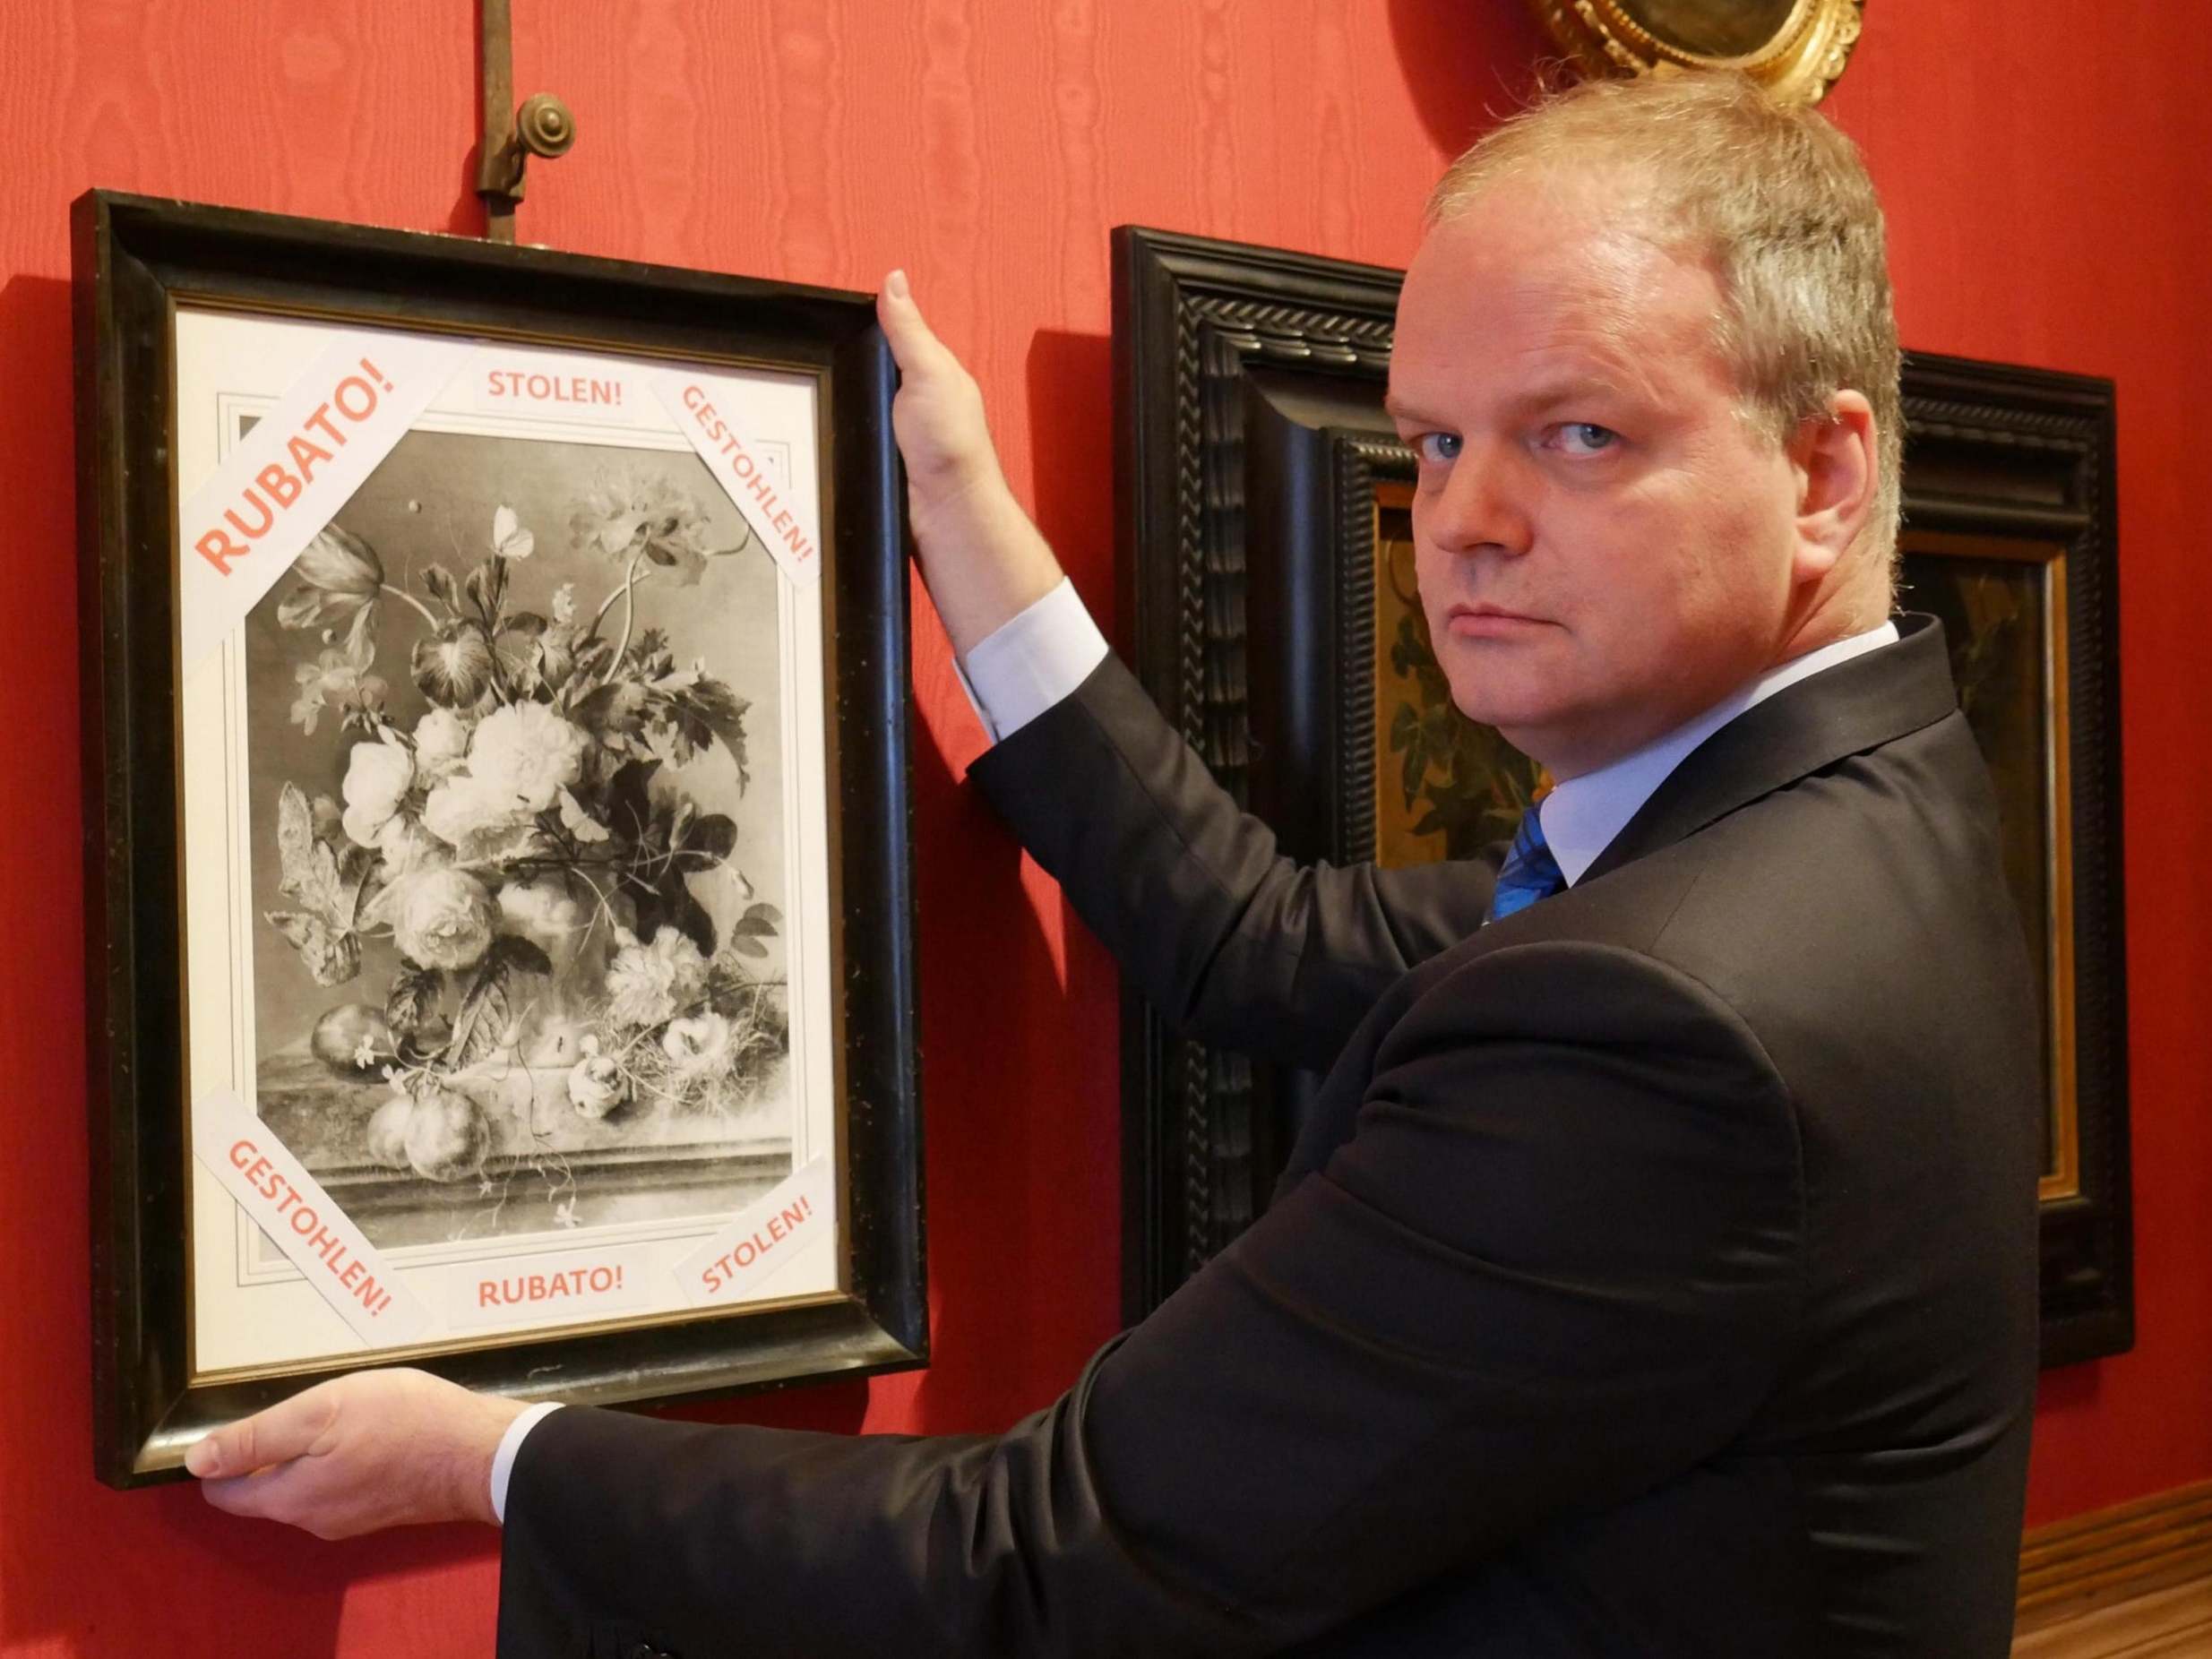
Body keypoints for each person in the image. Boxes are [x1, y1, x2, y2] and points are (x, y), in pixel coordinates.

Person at [187, 72, 2042, 1656]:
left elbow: (1051, 1563)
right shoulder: (1840, 809)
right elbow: (1254, 935)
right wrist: (968, 522)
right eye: (1435, 438)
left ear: (1817, 474)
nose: (1461, 523)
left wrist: (489, 1456)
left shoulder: (1652, 1017)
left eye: (1576, 433)